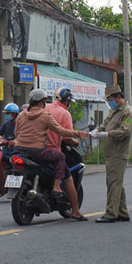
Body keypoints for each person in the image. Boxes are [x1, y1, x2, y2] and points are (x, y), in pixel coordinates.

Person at [13, 89, 88, 199]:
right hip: (37, 151)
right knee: (60, 157)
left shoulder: (21, 115)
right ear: (41, 102)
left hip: (19, 149)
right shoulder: (46, 115)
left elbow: (16, 133)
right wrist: (78, 133)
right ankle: (56, 187)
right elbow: (62, 132)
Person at [91, 85, 132, 223]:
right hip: (111, 153)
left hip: (118, 153)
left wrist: (107, 134)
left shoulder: (127, 112)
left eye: (110, 99)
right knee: (116, 183)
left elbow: (125, 131)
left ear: (118, 97)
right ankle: (122, 212)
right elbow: (105, 124)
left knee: (114, 184)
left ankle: (111, 213)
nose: (109, 102)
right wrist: (97, 130)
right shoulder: (114, 111)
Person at [45, 88, 88, 221]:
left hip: (33, 148)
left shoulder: (44, 108)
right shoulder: (64, 113)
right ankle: (75, 211)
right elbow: (67, 137)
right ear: (67, 101)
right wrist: (75, 142)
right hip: (53, 149)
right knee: (68, 177)